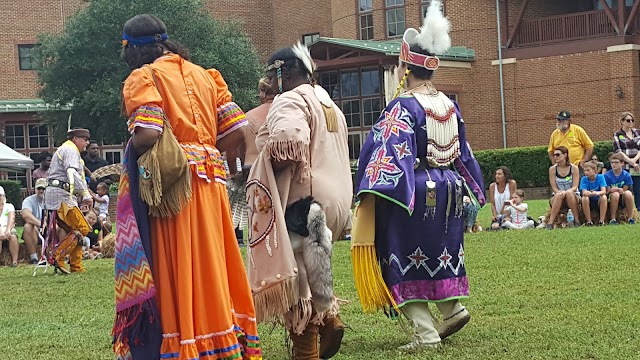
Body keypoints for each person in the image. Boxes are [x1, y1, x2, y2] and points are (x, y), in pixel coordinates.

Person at [113, 14, 261, 360]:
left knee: (178, 267)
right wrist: (206, 153)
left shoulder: (143, 77)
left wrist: (133, 153)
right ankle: (222, 341)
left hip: (172, 189)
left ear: (133, 50)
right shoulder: (207, 76)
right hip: (210, 187)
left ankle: (185, 346)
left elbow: (148, 133)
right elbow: (237, 132)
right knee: (212, 263)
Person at [352, 0, 486, 350]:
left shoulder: (404, 106)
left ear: (405, 67)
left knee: (399, 253)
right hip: (450, 191)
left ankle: (426, 333)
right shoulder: (448, 105)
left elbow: (385, 152)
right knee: (439, 251)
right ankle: (452, 308)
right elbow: (465, 154)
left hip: (414, 191)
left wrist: (369, 188)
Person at [245, 43, 353, 359]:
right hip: (333, 204)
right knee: (316, 265)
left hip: (304, 204)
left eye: (271, 75)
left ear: (285, 72)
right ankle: (330, 317)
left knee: (296, 280)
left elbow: (288, 141)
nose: (269, 83)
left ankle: (305, 350)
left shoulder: (291, 99)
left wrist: (264, 165)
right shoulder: (328, 102)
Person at [226, 77, 274, 241]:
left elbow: (235, 152)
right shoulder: (286, 113)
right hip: (277, 171)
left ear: (262, 92)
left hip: (251, 172)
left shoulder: (247, 117)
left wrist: (234, 173)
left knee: (256, 221)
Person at [42, 128, 92, 274]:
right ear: (76, 139)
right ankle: (57, 256)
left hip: (58, 195)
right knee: (83, 228)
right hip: (61, 197)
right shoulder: (70, 150)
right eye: (85, 140)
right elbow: (72, 172)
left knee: (75, 230)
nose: (87, 143)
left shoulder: (65, 149)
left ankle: (76, 266)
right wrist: (86, 193)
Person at [546, 146, 580, 229]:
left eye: (558, 155)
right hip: (557, 195)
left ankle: (577, 220)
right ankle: (550, 223)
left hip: (573, 194)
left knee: (569, 193)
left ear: (565, 155)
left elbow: (575, 186)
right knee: (558, 194)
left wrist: (567, 192)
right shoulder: (552, 169)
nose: (555, 157)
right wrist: (560, 192)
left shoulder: (574, 168)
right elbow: (554, 187)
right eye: (554, 155)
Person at [613, 111, 640, 210]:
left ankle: (638, 210)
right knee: (626, 188)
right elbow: (618, 151)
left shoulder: (637, 132)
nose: (630, 122)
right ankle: (627, 210)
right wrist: (630, 161)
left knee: (638, 188)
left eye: (632, 120)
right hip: (625, 166)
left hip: (637, 166)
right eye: (628, 120)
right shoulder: (617, 134)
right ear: (622, 121)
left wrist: (635, 160)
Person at [604, 152, 635, 224]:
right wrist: (611, 190)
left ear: (622, 163)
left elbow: (626, 188)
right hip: (611, 197)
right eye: (612, 163)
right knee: (615, 194)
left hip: (623, 197)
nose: (614, 164)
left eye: (616, 162)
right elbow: (606, 191)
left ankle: (630, 218)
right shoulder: (607, 175)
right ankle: (613, 219)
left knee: (628, 193)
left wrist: (622, 190)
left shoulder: (626, 175)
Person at [21, 178, 47, 264]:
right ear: (35, 189)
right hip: (36, 230)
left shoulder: (52, 200)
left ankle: (63, 255)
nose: (41, 191)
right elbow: (26, 215)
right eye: (39, 188)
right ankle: (34, 258)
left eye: (44, 188)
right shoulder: (28, 200)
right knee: (28, 226)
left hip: (51, 228)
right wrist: (40, 224)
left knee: (62, 227)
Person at [579, 161, 608, 226]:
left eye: (588, 170)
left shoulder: (600, 177)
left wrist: (596, 193)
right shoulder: (584, 179)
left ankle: (601, 221)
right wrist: (589, 193)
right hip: (589, 200)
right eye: (584, 170)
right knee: (584, 198)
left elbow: (604, 191)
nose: (586, 172)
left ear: (594, 170)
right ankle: (589, 221)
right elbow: (584, 192)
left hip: (598, 200)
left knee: (604, 197)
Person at [0, 186, 19, 267]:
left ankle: (14, 261)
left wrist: (8, 230)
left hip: (7, 227)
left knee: (13, 236)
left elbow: (11, 219)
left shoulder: (9, 206)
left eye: (0, 196)